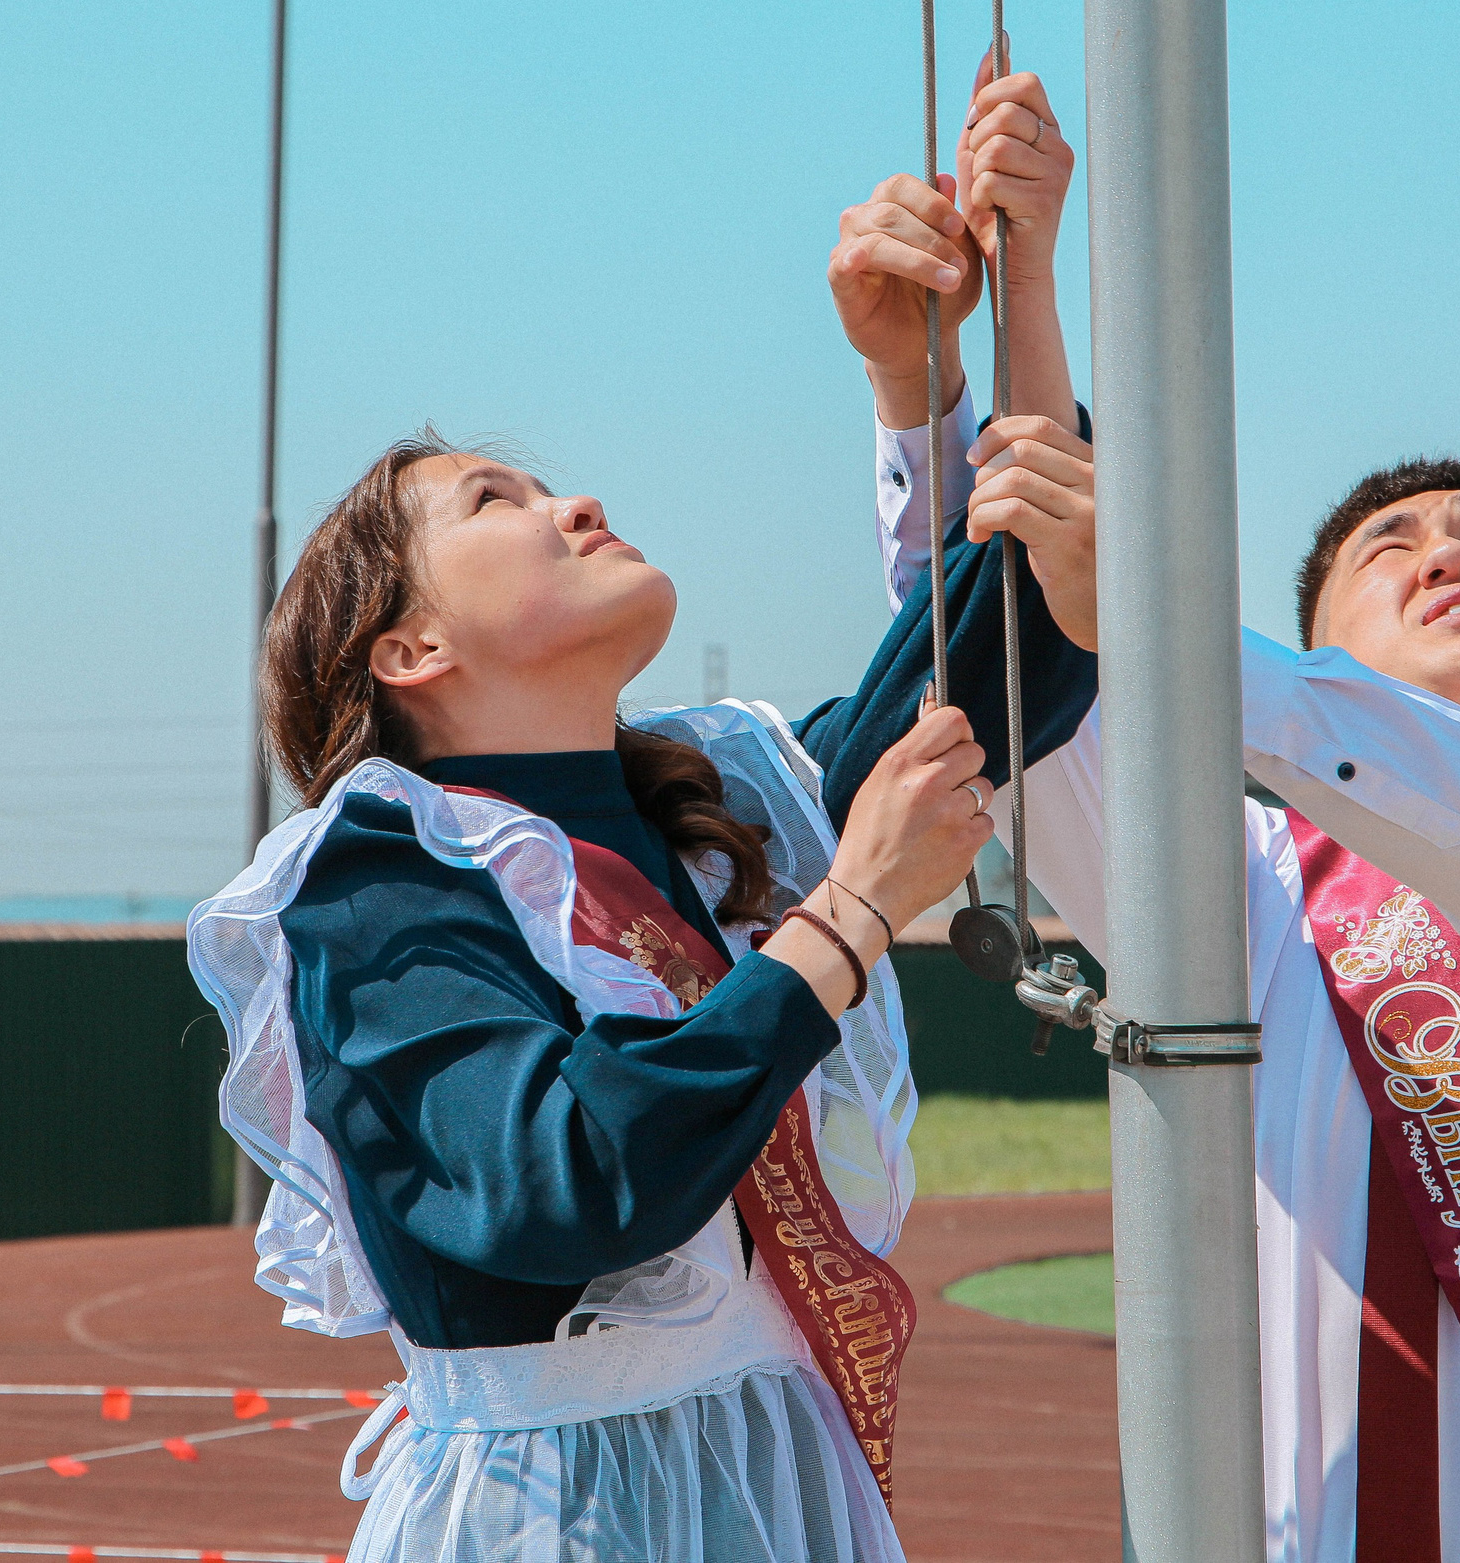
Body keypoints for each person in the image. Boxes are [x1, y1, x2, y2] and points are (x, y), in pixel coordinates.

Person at [830, 62, 1460, 1563]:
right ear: (1319, 657)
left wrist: (1162, 623)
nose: (1447, 545)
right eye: (1389, 544)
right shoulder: (1230, 892)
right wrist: (955, 357)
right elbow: (1012, 708)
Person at [188, 423, 1098, 1562]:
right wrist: (853, 911)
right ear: (410, 646)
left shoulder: (725, 811)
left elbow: (1005, 658)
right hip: (556, 1515)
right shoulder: (380, 877)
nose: (574, 503)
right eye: (490, 499)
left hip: (773, 1478)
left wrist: (949, 341)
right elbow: (559, 1180)